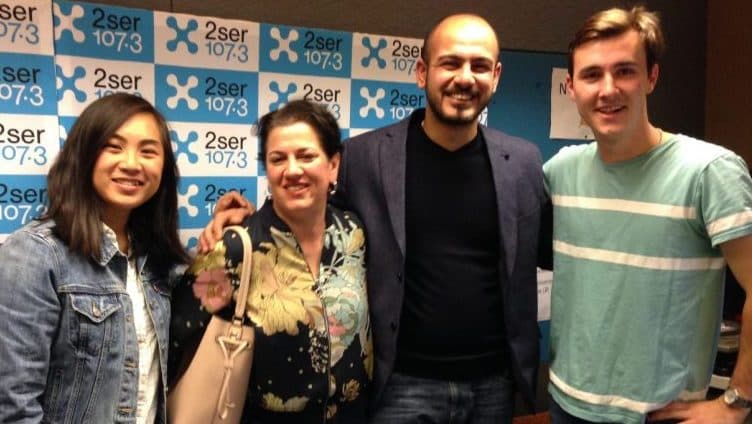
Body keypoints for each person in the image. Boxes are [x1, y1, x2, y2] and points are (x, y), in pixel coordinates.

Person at [202, 13, 550, 423]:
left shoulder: (523, 162)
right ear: (422, 72)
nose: (465, 77)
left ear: (496, 76)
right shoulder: (365, 157)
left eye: (479, 66)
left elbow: (551, 249)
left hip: (493, 383)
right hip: (401, 384)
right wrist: (246, 222)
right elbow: (309, 213)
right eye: (450, 63)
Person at [544, 6, 752, 423]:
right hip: (566, 405)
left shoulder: (709, 171)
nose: (608, 90)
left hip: (661, 414)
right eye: (591, 75)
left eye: (625, 71)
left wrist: (738, 402)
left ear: (651, 77)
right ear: (572, 87)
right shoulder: (561, 171)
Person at [169, 100, 372, 423]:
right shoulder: (235, 250)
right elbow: (178, 332)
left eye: (306, 156)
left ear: (333, 165)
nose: (292, 170)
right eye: (278, 159)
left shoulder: (354, 233)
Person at [0, 93, 189, 423]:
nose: (131, 163)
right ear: (84, 155)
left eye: (148, 151)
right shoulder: (34, 254)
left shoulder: (159, 261)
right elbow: (13, 404)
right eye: (113, 147)